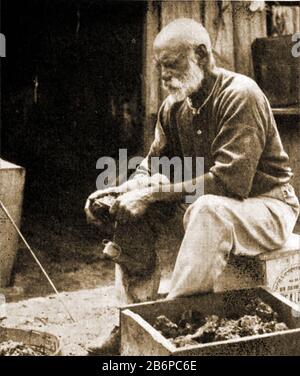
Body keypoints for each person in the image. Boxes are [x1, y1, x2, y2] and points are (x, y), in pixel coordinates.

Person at [84, 18, 299, 355]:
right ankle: (129, 321)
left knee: (206, 208)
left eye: (172, 64)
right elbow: (150, 167)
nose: (164, 75)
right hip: (218, 205)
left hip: (269, 207)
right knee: (131, 209)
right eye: (160, 67)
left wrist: (153, 192)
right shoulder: (175, 107)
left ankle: (168, 325)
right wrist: (121, 193)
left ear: (201, 54)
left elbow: (228, 183)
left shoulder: (240, 95)